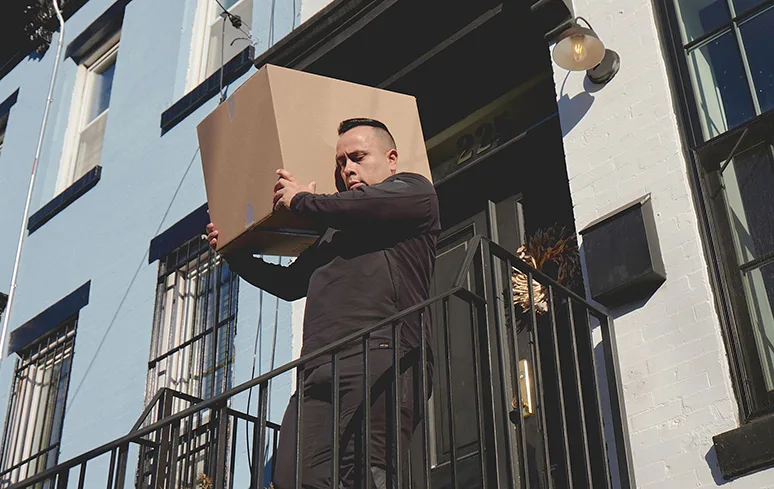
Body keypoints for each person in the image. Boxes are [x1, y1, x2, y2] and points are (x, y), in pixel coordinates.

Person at [206, 118, 440, 489]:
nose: (348, 169)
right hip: (316, 369)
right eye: (341, 163)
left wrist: (303, 200)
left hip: (381, 354)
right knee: (293, 478)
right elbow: (289, 284)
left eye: (358, 157)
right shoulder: (333, 232)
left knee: (365, 474)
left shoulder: (413, 192)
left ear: (391, 158)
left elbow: (364, 206)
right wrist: (235, 256)